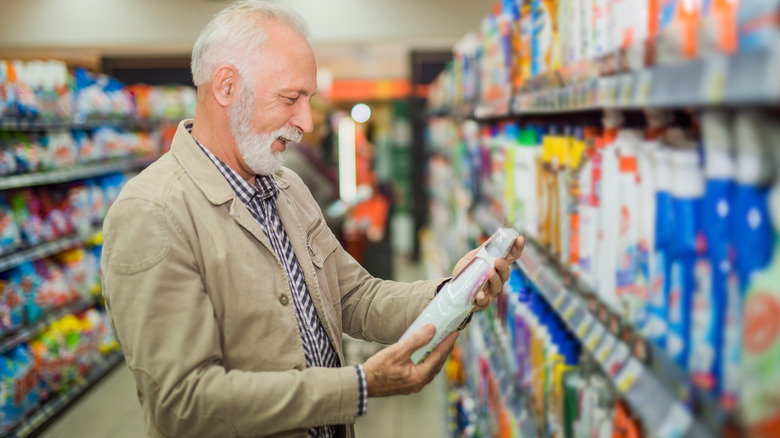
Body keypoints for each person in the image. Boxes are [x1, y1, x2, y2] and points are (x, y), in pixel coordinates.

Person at [99, 1, 525, 437]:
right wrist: (360, 386)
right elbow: (184, 402)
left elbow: (355, 297)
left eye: (309, 99)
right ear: (226, 86)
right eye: (290, 98)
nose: (305, 121)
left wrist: (453, 294)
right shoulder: (150, 214)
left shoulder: (287, 188)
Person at [282, 96, 345, 239]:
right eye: (316, 127)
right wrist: (342, 214)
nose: (322, 132)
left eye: (324, 126)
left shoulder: (313, 157)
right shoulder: (294, 163)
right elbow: (302, 219)